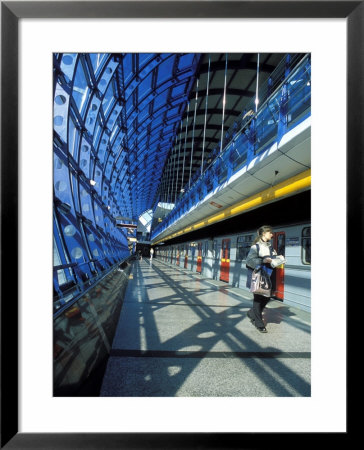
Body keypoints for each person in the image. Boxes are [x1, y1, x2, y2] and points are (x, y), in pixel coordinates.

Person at [246, 225, 284, 333]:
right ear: (264, 234)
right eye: (270, 233)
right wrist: (263, 261)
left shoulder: (271, 247)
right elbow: (249, 261)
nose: (272, 234)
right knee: (258, 299)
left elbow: (273, 259)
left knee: (267, 297)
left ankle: (252, 313)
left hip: (268, 275)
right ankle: (259, 323)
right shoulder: (255, 247)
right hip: (258, 276)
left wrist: (279, 259)